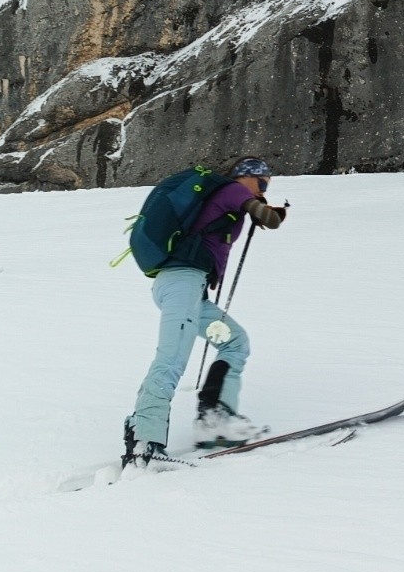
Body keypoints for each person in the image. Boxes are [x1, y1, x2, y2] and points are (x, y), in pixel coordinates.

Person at [122, 157, 287, 470]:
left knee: (235, 342)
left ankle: (216, 423)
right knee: (171, 360)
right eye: (262, 181)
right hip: (182, 283)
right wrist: (271, 211)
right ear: (247, 176)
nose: (264, 187)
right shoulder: (233, 190)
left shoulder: (228, 195)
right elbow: (267, 217)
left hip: (188, 291)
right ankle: (144, 439)